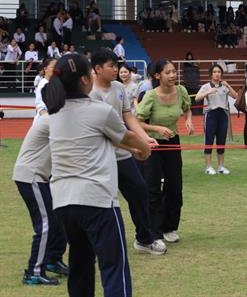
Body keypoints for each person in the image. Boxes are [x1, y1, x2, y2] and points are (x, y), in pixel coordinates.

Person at [44, 54, 151, 297]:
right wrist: (143, 149)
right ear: (85, 79)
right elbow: (127, 137)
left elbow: (101, 138)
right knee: (114, 265)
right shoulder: (100, 111)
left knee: (80, 264)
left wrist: (132, 148)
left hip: (63, 201)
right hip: (97, 200)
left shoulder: (54, 114)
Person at [90, 49, 166, 256]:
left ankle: (144, 239)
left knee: (139, 191)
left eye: (116, 65)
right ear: (97, 69)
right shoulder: (91, 93)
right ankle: (95, 245)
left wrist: (144, 138)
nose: (116, 69)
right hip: (101, 156)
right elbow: (102, 132)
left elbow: (128, 117)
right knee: (102, 201)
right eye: (111, 66)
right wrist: (134, 146)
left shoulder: (118, 88)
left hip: (122, 154)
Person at [136, 59, 194, 244]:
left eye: (174, 71)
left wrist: (188, 120)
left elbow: (187, 109)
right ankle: (154, 231)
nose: (172, 75)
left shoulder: (181, 91)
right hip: (152, 144)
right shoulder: (150, 96)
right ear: (157, 76)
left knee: (175, 187)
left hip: (172, 142)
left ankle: (170, 227)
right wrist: (157, 128)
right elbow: (138, 122)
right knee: (152, 188)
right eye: (168, 72)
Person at [13, 114, 68, 286]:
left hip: (41, 176)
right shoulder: (54, 120)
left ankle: (53, 259)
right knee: (45, 224)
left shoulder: (59, 118)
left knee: (59, 217)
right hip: (32, 176)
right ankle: (33, 273)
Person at [195, 63, 238, 175]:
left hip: (223, 115)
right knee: (209, 141)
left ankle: (221, 167)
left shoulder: (224, 86)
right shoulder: (206, 86)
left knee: (221, 141)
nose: (217, 74)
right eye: (214, 72)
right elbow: (197, 98)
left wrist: (228, 86)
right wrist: (208, 92)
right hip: (211, 115)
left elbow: (236, 96)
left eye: (219, 72)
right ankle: (208, 167)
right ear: (211, 74)